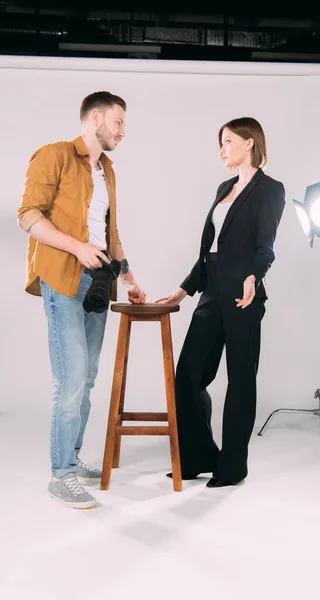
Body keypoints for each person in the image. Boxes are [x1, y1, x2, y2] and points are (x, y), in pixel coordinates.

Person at [17, 91, 146, 509]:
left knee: (87, 379)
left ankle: (71, 457)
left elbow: (110, 234)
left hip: (99, 284)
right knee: (70, 380)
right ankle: (61, 475)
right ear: (95, 118)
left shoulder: (107, 171)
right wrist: (75, 247)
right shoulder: (54, 155)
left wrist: (129, 278)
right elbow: (28, 216)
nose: (123, 132)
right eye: (119, 122)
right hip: (62, 280)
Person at [156, 117, 285, 488]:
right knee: (189, 376)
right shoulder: (224, 186)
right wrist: (184, 289)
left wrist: (254, 275)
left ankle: (232, 466)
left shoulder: (270, 189)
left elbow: (266, 245)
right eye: (221, 142)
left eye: (228, 141)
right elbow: (209, 249)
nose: (222, 149)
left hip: (244, 296)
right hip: (212, 290)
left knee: (241, 380)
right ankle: (199, 455)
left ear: (249, 143)